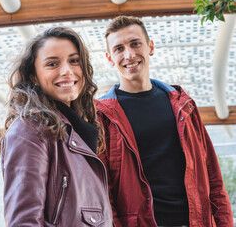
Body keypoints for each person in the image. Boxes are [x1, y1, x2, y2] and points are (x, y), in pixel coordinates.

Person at [96, 16, 234, 227]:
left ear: (150, 46)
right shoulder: (103, 115)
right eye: (119, 49)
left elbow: (212, 174)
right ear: (109, 57)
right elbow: (103, 189)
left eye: (135, 44)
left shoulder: (183, 104)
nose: (129, 55)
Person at [0, 26, 113, 226]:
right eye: (52, 64)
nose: (67, 71)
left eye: (74, 61)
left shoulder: (76, 131)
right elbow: (24, 221)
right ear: (34, 76)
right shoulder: (30, 130)